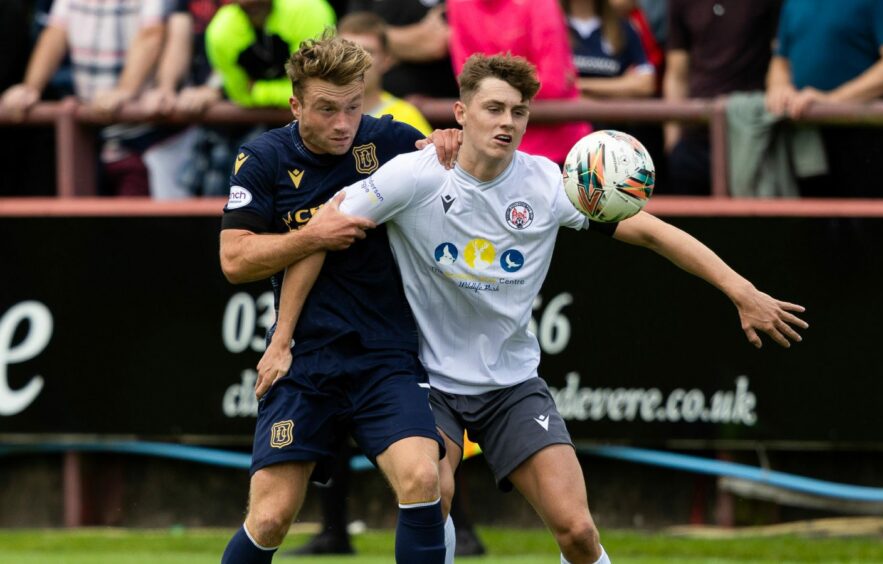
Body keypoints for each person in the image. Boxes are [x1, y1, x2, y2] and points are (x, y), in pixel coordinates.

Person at [261, 53, 809, 564]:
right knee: (432, 490)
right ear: (461, 112)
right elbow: (320, 235)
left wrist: (742, 291)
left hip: (512, 385)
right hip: (426, 380)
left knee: (576, 530)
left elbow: (654, 233)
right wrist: (282, 338)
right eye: (494, 108)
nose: (507, 122)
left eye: (519, 111)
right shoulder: (416, 174)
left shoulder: (550, 186)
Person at [219, 33, 461, 564]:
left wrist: (446, 143)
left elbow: (454, 174)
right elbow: (234, 260)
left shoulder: (391, 139)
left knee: (424, 479)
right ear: (295, 104)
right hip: (304, 361)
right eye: (326, 109)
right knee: (270, 517)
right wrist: (312, 235)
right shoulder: (262, 158)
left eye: (353, 107)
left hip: (385, 355)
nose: (342, 124)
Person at [1, 0, 169, 196]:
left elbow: (152, 35)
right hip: (95, 138)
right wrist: (31, 88)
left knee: (141, 222)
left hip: (146, 139)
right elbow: (55, 34)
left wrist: (124, 91)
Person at [765, 0, 883, 197]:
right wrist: (779, 89)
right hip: (803, 138)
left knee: (866, 223)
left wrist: (835, 101)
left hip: (864, 139)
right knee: (808, 223)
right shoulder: (793, 3)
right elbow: (780, 61)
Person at [446, 0, 591, 164]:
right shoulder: (458, 4)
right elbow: (468, 80)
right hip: (492, 153)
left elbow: (553, 82)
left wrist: (490, 91)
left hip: (557, 152)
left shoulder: (540, 3)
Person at [664, 0, 781, 195]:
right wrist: (672, 140)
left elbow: (780, 62)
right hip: (694, 136)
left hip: (748, 134)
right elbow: (676, 74)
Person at [206, 0, 336, 109]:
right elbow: (240, 95)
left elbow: (315, 90)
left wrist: (258, 90)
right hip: (256, 121)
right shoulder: (221, 30)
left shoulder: (307, 10)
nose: (252, 2)